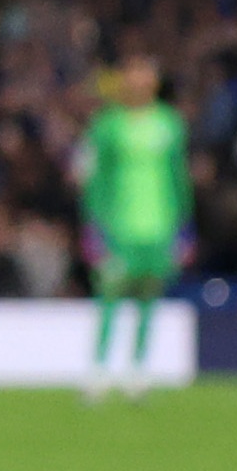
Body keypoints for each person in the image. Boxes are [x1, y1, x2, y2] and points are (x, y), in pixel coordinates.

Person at [74, 59, 192, 399]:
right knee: (109, 296)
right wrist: (93, 224)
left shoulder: (169, 124)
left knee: (147, 298)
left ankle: (137, 370)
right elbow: (96, 179)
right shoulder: (108, 125)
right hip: (119, 227)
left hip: (159, 226)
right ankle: (98, 370)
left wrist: (184, 224)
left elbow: (178, 176)